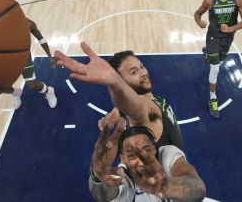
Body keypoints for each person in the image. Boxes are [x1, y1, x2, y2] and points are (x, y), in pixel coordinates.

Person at [55, 43, 184, 151]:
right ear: (122, 81)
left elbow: (116, 113)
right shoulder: (144, 110)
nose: (143, 73)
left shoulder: (142, 100)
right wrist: (115, 84)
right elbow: (135, 107)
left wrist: (108, 120)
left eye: (141, 66)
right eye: (134, 72)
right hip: (168, 178)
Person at [88, 114, 206, 201]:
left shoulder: (166, 154)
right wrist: (97, 176)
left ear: (154, 148)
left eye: (146, 150)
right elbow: (103, 196)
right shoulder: (125, 175)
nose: (141, 161)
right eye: (132, 155)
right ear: (123, 159)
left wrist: (167, 188)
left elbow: (198, 188)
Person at [193, 0, 242, 118]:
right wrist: (199, 23)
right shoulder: (209, 1)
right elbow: (197, 14)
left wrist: (231, 29)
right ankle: (212, 97)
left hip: (228, 38)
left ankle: (209, 55)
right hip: (213, 38)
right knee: (215, 68)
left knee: (221, 62)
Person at [7, 18, 57, 109]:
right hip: (7, 58)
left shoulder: (28, 23)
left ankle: (49, 91)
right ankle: (16, 93)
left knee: (32, 85)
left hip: (24, 57)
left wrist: (50, 56)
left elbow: (41, 39)